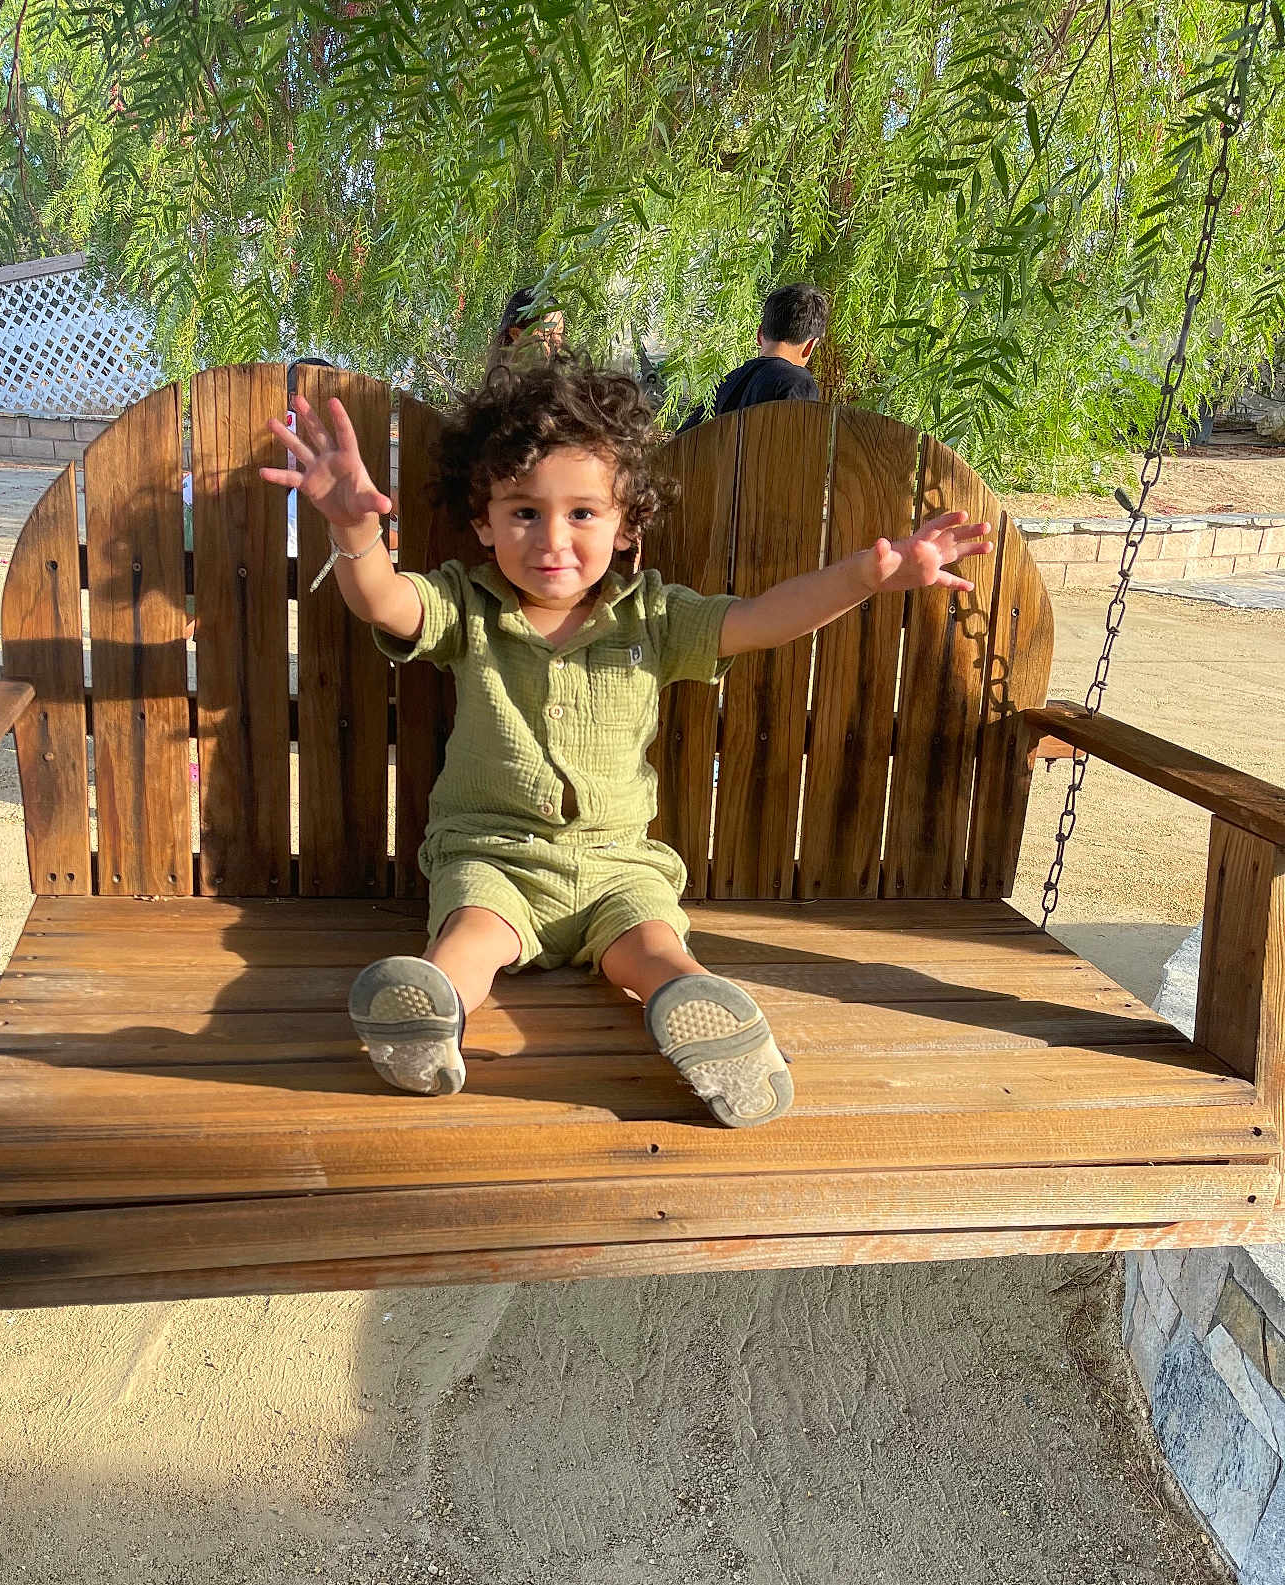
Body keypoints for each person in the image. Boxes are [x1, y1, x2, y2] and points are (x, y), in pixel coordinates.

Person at [261, 359, 989, 1128]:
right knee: (470, 934)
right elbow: (385, 601)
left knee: (652, 945)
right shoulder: (467, 606)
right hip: (493, 854)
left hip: (617, 863)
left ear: (627, 526)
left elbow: (762, 619)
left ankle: (703, 1019)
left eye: (583, 513)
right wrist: (355, 530)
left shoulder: (656, 619)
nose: (552, 539)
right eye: (523, 512)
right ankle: (429, 1020)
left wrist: (865, 577)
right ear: (483, 521)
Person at [683, 284, 829, 429]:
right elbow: (800, 441)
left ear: (759, 334)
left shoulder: (726, 383)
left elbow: (681, 438)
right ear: (810, 346)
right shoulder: (797, 383)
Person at [488, 287, 566, 368]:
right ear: (516, 334)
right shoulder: (503, 374)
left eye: (559, 333)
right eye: (548, 333)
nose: (557, 341)